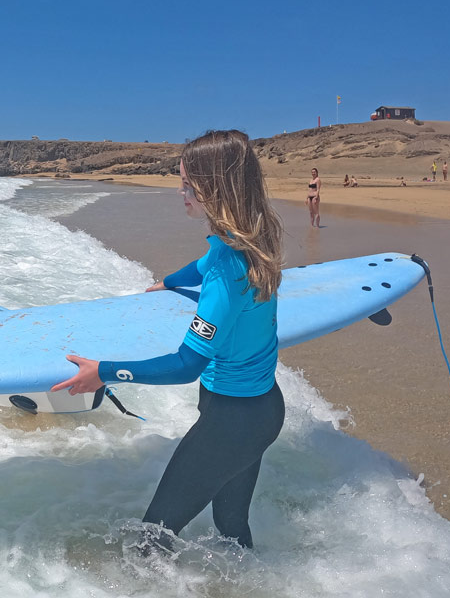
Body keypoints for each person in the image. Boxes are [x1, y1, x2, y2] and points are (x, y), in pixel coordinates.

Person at [52, 129, 285, 552]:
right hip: (260, 409)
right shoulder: (250, 241)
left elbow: (186, 364)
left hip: (234, 420)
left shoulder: (228, 270)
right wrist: (169, 282)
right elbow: (202, 264)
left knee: (150, 539)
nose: (181, 192)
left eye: (188, 185)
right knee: (231, 527)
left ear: (214, 189)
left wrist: (104, 372)